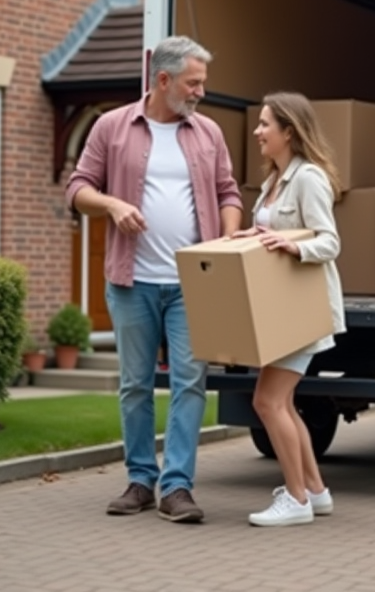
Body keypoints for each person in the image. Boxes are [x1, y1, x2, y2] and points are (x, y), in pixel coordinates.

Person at [65, 35, 242, 524]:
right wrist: (113, 204)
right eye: (194, 82)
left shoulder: (208, 132)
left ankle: (177, 488)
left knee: (190, 384)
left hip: (192, 283)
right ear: (163, 81)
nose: (201, 91)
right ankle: (141, 480)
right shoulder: (112, 127)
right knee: (135, 386)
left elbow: (229, 192)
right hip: (132, 281)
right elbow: (78, 188)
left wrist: (226, 241)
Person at [232, 91, 347, 527]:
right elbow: (274, 231)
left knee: (267, 401)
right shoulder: (274, 181)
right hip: (281, 310)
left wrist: (292, 247)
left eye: (265, 124)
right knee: (283, 402)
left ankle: (295, 500)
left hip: (302, 310)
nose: (258, 131)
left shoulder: (308, 178)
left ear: (289, 131)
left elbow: (329, 241)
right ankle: (315, 492)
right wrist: (251, 235)